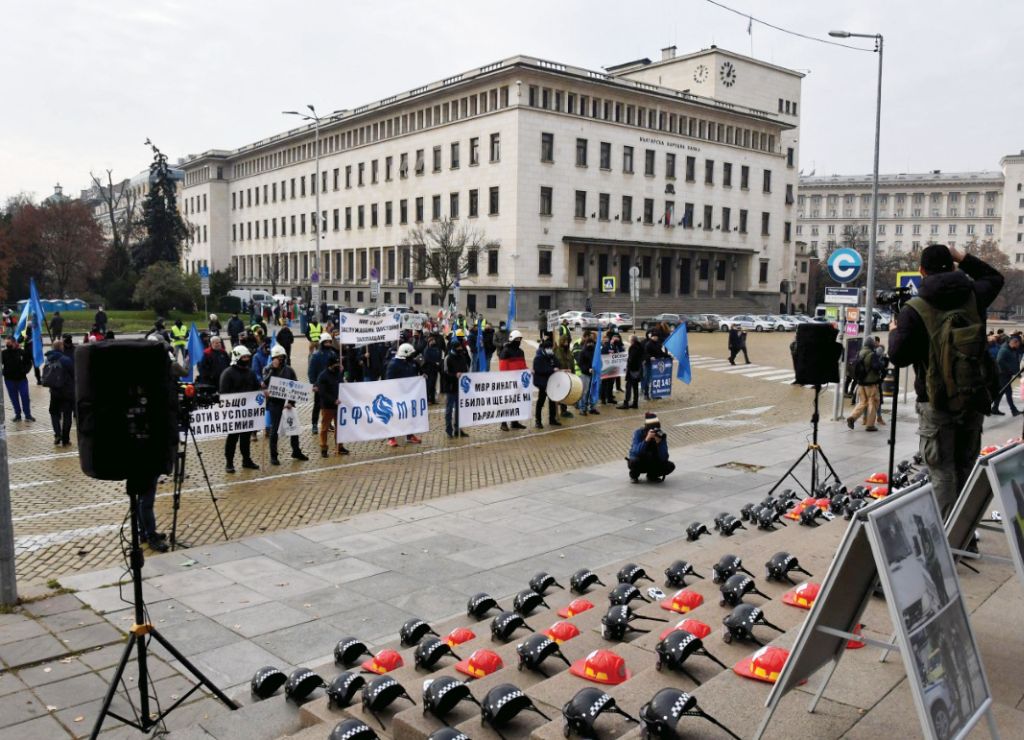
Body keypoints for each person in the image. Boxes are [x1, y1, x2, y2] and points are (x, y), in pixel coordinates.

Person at [888, 243, 1004, 516]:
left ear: (921, 272)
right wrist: (964, 258)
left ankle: (948, 540)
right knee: (967, 467)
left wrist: (894, 330)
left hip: (935, 401)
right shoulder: (974, 295)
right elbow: (995, 278)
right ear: (953, 266)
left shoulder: (914, 309)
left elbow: (898, 357)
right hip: (973, 395)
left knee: (942, 472)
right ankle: (965, 535)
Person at [263, 344, 310, 465]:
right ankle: (274, 455)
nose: (280, 359)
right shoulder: (267, 369)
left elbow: (295, 386)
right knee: (274, 430)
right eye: (277, 357)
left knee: (294, 428)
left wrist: (291, 402)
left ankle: (296, 451)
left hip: (287, 403)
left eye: (281, 357)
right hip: (275, 403)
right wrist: (273, 369)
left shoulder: (289, 370)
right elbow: (265, 383)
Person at [218, 346, 261, 473]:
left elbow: (256, 388)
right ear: (237, 358)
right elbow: (224, 393)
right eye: (244, 357)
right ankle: (229, 462)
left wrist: (261, 395)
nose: (247, 359)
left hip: (248, 412)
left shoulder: (251, 372)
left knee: (246, 438)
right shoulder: (227, 373)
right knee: (232, 438)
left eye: (248, 357)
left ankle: (246, 460)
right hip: (234, 413)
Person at [384, 343, 424, 447]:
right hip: (396, 395)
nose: (412, 356)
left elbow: (413, 375)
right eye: (410, 354)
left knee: (409, 415)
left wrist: (420, 378)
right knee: (394, 416)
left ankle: (409, 435)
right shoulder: (393, 364)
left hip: (408, 394)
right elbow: (389, 381)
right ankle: (391, 437)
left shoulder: (408, 362)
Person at [314, 352, 349, 457]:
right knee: (324, 428)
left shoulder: (338, 373)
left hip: (338, 406)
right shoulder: (323, 376)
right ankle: (323, 448)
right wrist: (333, 400)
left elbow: (341, 385)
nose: (338, 366)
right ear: (330, 365)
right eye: (336, 364)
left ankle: (340, 446)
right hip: (328, 407)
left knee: (340, 427)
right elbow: (322, 392)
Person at [846, 336, 883, 432]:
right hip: (870, 384)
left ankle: (852, 417)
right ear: (871, 344)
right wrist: (880, 365)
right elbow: (877, 367)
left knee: (862, 402)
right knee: (873, 402)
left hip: (860, 383)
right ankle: (870, 425)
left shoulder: (860, 353)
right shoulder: (872, 354)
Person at [42, 339, 75, 446]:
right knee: (67, 415)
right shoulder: (66, 360)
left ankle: (57, 434)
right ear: (61, 347)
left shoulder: (48, 360)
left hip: (54, 392)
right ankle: (65, 440)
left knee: (54, 413)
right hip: (67, 392)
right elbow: (74, 374)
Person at [627, 412, 675, 483]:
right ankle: (634, 476)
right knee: (634, 461)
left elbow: (664, 457)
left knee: (670, 466)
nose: (654, 431)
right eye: (652, 429)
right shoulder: (639, 433)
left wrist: (659, 444)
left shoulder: (661, 435)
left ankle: (652, 475)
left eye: (656, 428)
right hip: (641, 462)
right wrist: (646, 440)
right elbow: (635, 452)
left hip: (652, 461)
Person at [498, 330, 529, 430]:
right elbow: (503, 367)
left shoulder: (521, 352)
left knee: (517, 402)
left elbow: (523, 365)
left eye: (520, 339)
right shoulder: (505, 351)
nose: (519, 341)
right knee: (506, 403)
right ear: (512, 340)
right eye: (517, 339)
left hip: (519, 382)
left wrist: (528, 372)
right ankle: (503, 423)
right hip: (508, 382)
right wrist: (508, 380)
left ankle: (514, 422)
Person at [443, 330, 471, 438]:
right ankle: (449, 429)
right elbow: (445, 373)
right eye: (458, 349)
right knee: (449, 410)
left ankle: (458, 429)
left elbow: (466, 368)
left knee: (460, 410)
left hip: (461, 388)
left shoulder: (462, 357)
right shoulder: (448, 358)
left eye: (461, 348)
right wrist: (455, 375)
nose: (460, 350)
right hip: (451, 388)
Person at [308, 335, 337, 434]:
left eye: (329, 342)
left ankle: (328, 423)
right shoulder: (316, 355)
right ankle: (314, 425)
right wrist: (314, 384)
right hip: (319, 384)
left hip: (330, 384)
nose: (328, 344)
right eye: (326, 342)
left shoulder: (333, 354)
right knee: (317, 405)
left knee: (329, 406)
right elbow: (311, 371)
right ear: (322, 343)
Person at [531, 336, 561, 429]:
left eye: (551, 348)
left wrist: (556, 367)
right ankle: (538, 421)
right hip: (542, 383)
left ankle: (552, 419)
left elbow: (558, 364)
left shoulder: (552, 356)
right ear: (544, 349)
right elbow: (539, 370)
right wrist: (552, 369)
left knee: (552, 401)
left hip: (551, 383)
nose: (550, 350)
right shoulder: (538, 358)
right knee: (541, 402)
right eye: (548, 348)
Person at [2, 336, 34, 421]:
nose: (7, 345)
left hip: (21, 379)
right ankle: (18, 415)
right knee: (14, 398)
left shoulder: (22, 352)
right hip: (9, 380)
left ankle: (28, 415)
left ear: (14, 342)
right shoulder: (3, 353)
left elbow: (29, 363)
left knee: (25, 397)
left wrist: (25, 371)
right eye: (6, 343)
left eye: (9, 343)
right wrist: (3, 371)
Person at [992, 334, 1022, 416]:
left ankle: (994, 408)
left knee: (1001, 392)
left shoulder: (1011, 349)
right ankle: (1014, 410)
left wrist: (1016, 371)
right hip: (1003, 375)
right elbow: (999, 361)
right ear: (1014, 342)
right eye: (1018, 344)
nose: (1018, 346)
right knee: (1009, 392)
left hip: (1007, 374)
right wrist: (1009, 369)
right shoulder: (1004, 350)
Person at [575, 332, 599, 416]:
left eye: (592, 343)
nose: (590, 344)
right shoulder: (583, 352)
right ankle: (582, 409)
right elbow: (580, 364)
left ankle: (592, 407)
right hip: (585, 375)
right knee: (584, 392)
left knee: (593, 391)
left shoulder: (595, 353)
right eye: (589, 343)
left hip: (594, 374)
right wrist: (587, 369)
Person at [553, 333, 575, 418]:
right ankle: (555, 412)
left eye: (567, 342)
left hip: (568, 376)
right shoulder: (557, 351)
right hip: (559, 376)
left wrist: (572, 374)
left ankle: (564, 410)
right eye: (565, 341)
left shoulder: (568, 351)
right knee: (559, 394)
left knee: (565, 394)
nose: (566, 343)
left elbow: (571, 363)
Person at [619, 335, 643, 409]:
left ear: (632, 340)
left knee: (628, 387)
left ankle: (626, 403)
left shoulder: (633, 347)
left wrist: (628, 365)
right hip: (638, 370)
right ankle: (635, 403)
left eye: (630, 340)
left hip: (632, 370)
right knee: (635, 387)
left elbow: (631, 359)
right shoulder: (640, 347)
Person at [642, 331, 668, 400]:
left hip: (656, 365)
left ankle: (654, 394)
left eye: (657, 337)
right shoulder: (648, 344)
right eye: (655, 337)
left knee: (655, 380)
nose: (656, 338)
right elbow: (644, 354)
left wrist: (668, 356)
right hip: (649, 364)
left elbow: (661, 353)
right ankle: (646, 394)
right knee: (647, 379)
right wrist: (650, 357)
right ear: (652, 337)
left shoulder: (657, 344)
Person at [422, 333, 442, 404]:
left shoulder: (437, 349)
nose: (433, 342)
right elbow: (427, 359)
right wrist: (435, 363)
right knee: (429, 385)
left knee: (433, 385)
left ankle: (433, 399)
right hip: (429, 369)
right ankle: (428, 399)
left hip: (435, 370)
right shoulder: (426, 350)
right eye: (431, 341)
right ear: (429, 342)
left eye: (433, 340)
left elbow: (439, 357)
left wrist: (439, 363)